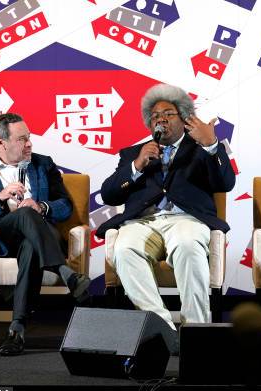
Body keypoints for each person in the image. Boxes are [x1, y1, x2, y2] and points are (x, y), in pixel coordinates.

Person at [96, 83, 235, 333]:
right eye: (155, 116)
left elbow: (225, 183)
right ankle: (163, 329)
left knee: (187, 244)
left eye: (167, 114)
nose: (160, 119)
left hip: (187, 220)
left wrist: (212, 145)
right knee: (125, 248)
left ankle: (196, 330)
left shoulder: (201, 148)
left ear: (183, 118)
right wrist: (137, 166)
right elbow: (109, 195)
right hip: (141, 222)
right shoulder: (133, 153)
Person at [0, 113, 91, 356]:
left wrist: (41, 207)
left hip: (39, 236)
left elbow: (64, 205)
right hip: (2, 236)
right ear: (2, 142)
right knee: (22, 216)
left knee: (30, 230)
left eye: (29, 138)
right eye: (22, 139)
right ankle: (63, 270)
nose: (30, 144)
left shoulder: (44, 163)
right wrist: (0, 197)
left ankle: (16, 330)